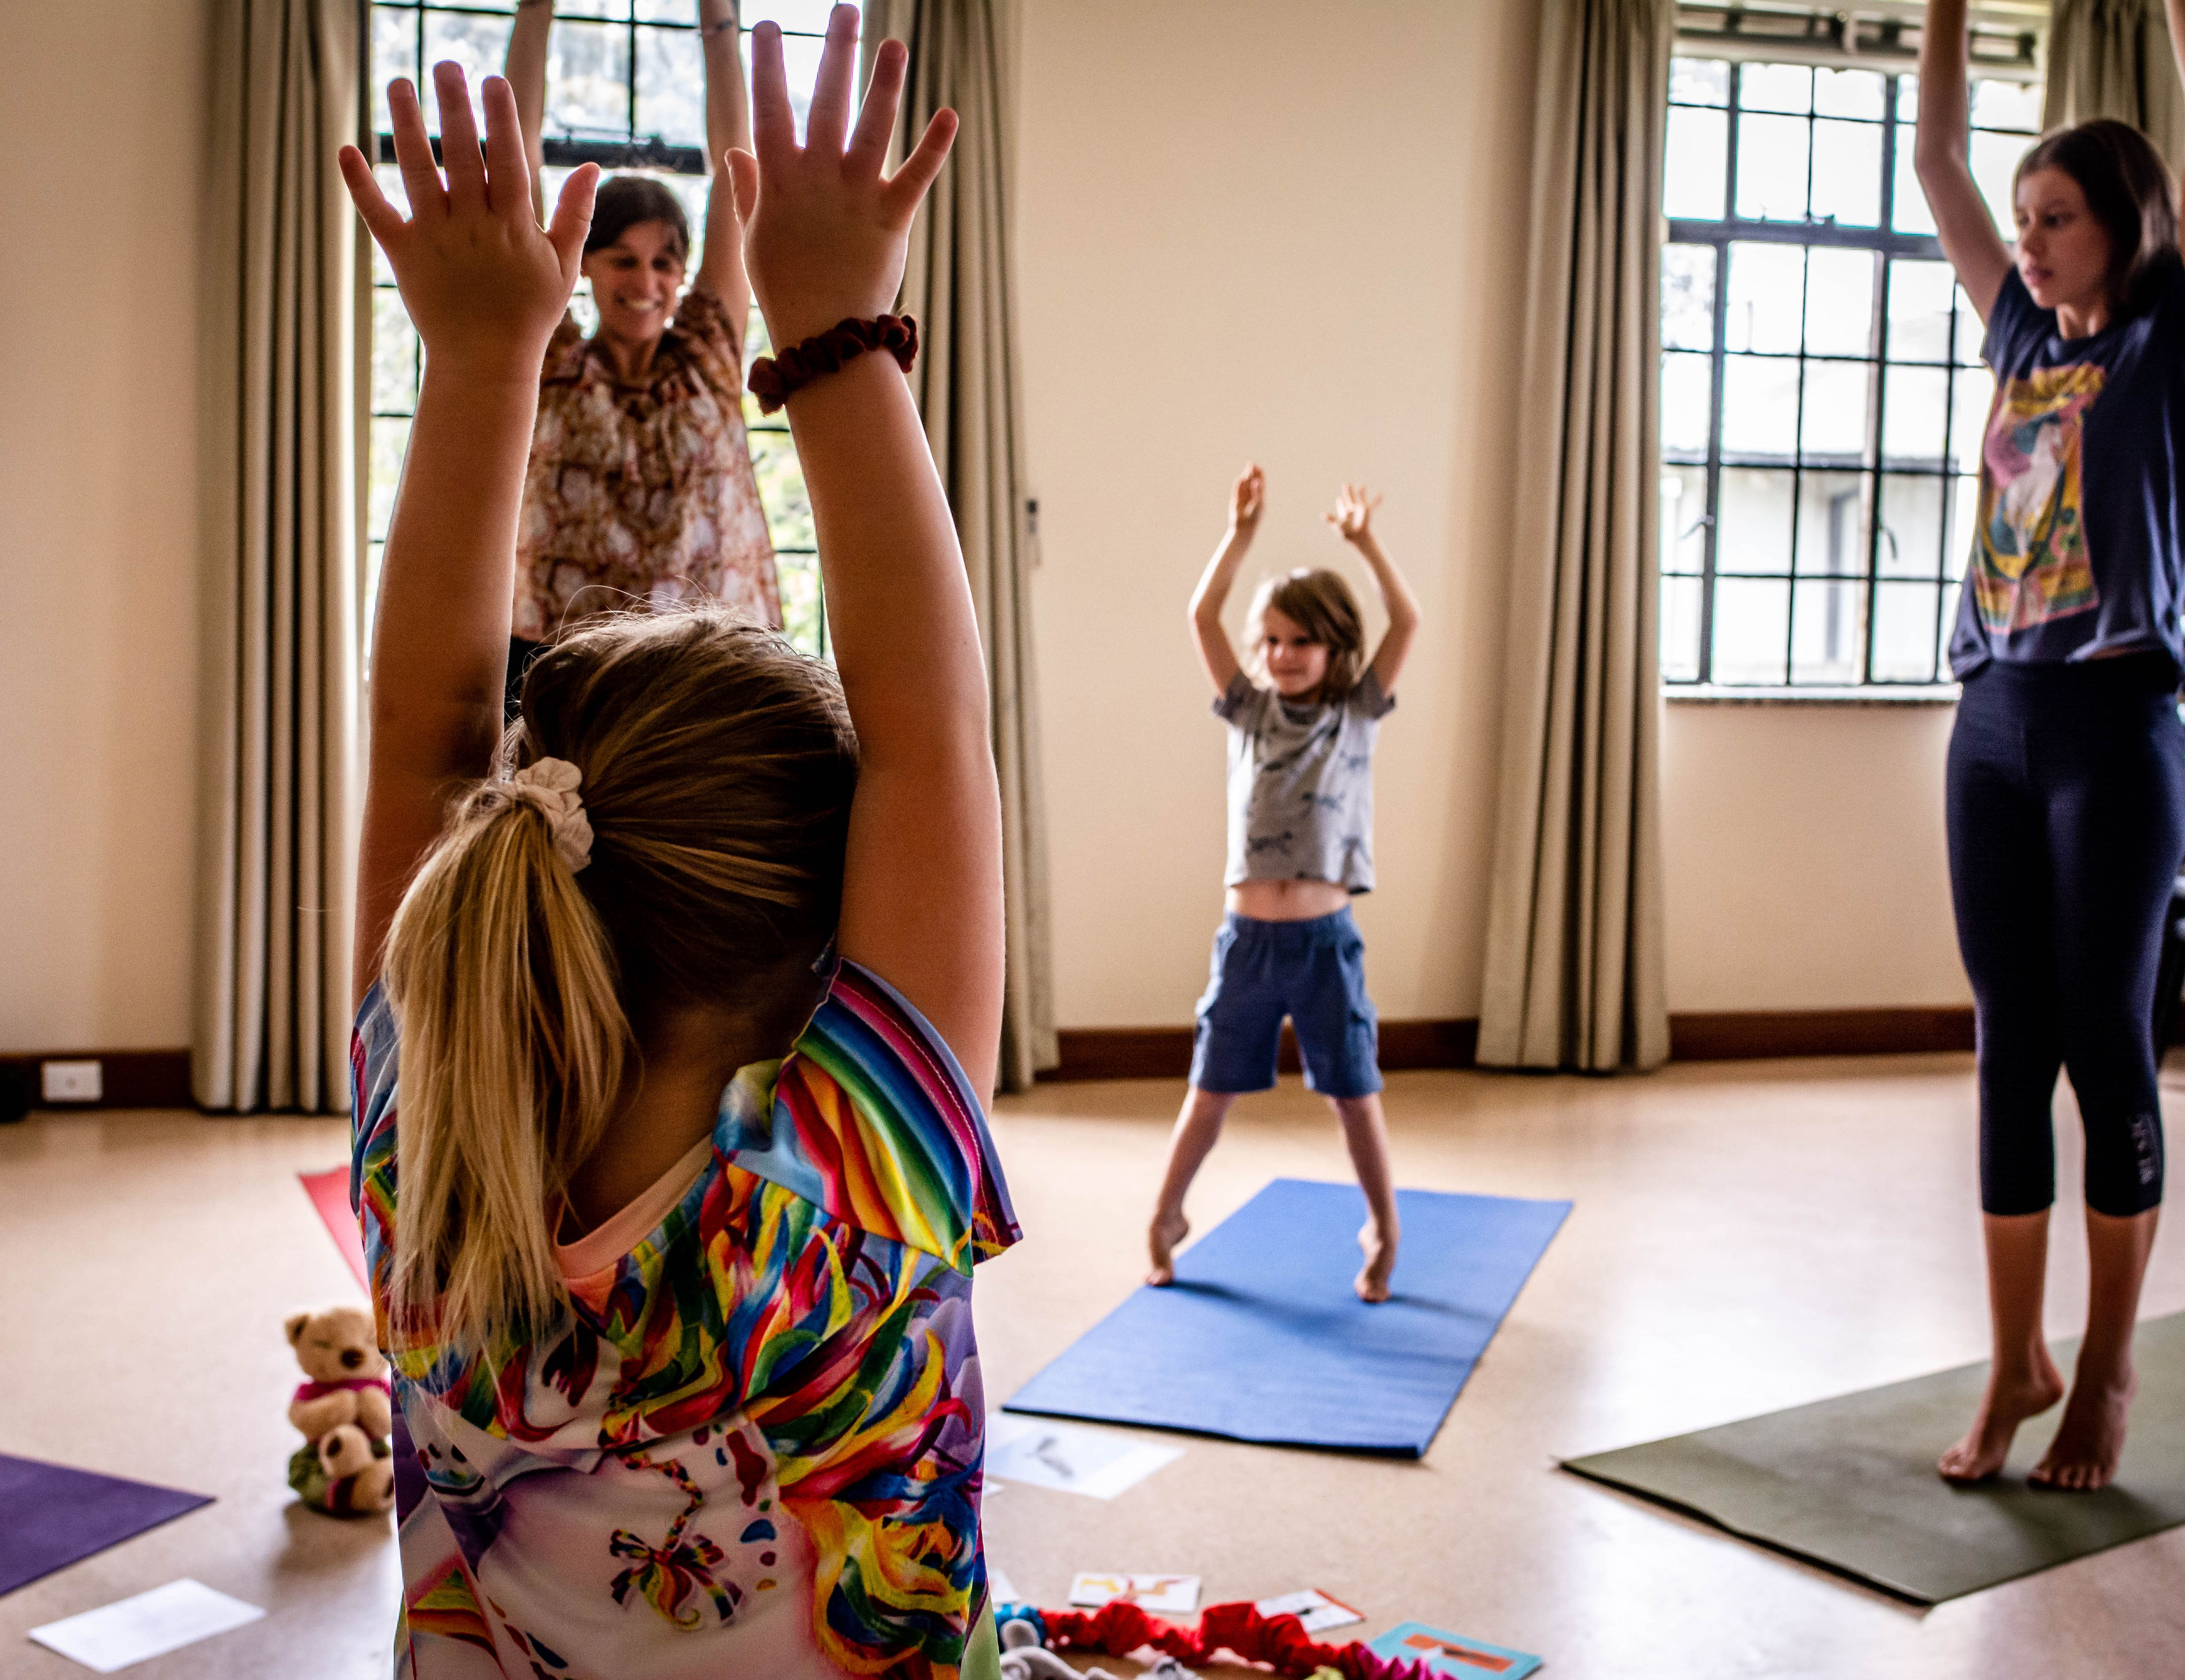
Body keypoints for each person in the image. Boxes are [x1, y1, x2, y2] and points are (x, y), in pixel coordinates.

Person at [337, 9, 1015, 1676]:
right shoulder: (848, 1209)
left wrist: (480, 349)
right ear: (821, 942)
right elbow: (934, 729)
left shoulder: (421, 1172)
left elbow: (426, 725)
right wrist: (842, 320)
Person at [1917, 0, 2185, 1490]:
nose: (2034, 239)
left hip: (2113, 724)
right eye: (2026, 220)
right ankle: (2014, 1361)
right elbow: (1934, 153)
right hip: (1992, 717)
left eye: (2058, 218)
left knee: (2107, 1046)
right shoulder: (2014, 326)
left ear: (2128, 227)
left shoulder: (2178, 338)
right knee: (2011, 1044)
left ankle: (2109, 1366)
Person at [1146, 465, 1420, 1303]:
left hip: (1326, 943)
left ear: (1334, 646)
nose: (1281, 656)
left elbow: (1408, 619)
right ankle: (1165, 1217)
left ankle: (1384, 1227)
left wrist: (1365, 541)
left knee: (1353, 1095)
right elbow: (1200, 615)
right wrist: (1240, 532)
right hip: (1250, 944)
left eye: (1299, 642)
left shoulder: (1358, 710)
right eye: (1270, 640)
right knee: (1210, 1094)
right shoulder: (1247, 709)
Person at [501, 0, 778, 713]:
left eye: (663, 262)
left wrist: (720, 26)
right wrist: (535, 15)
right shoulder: (557, 358)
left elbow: (733, 174)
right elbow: (519, 167)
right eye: (622, 259)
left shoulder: (707, 354)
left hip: (710, 665)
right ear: (586, 266)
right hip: (560, 663)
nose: (646, 283)